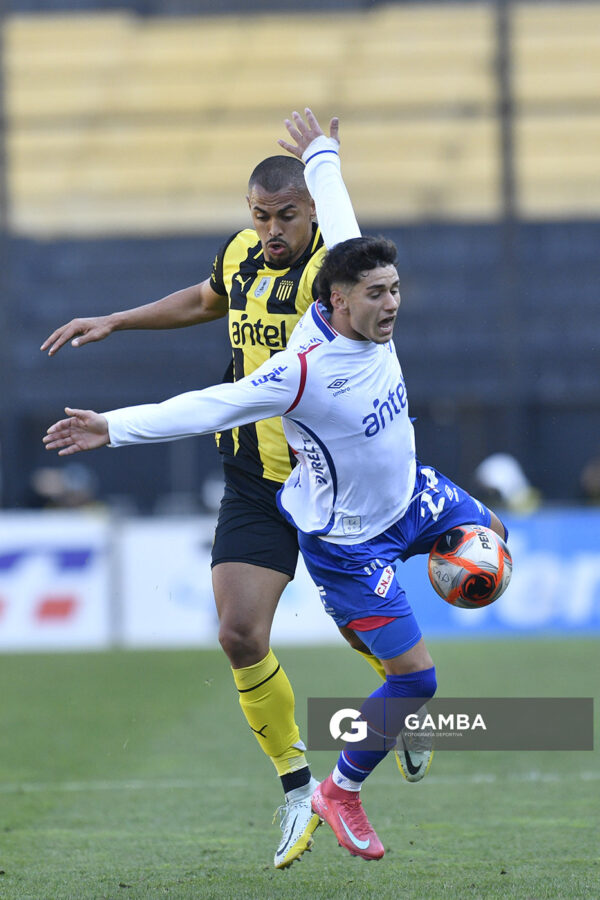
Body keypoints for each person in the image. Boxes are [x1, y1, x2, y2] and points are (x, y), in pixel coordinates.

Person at [44, 128, 508, 860]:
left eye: (285, 215)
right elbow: (207, 381)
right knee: (243, 636)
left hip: (385, 489)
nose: (269, 230)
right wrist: (115, 405)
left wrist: (324, 153)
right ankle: (306, 785)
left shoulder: (348, 271)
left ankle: (393, 707)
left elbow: (347, 218)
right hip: (277, 489)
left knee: (482, 556)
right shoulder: (291, 342)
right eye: (259, 215)